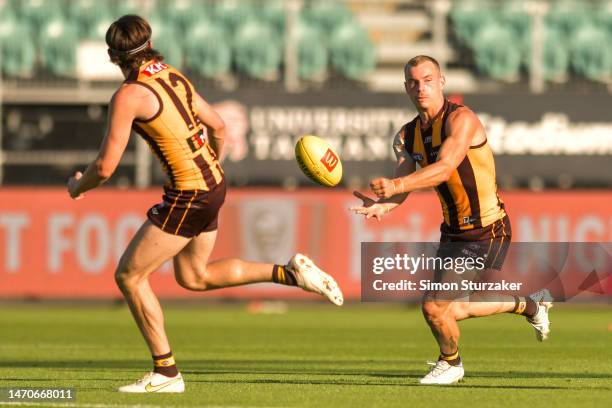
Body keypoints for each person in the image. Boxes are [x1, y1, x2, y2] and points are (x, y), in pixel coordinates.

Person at [67, 15, 343, 393]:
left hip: (190, 193)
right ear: (149, 44)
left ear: (113, 56)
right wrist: (208, 167)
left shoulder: (129, 95)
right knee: (194, 277)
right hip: (213, 183)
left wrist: (78, 187)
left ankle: (166, 373)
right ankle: (290, 273)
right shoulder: (173, 76)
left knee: (129, 276)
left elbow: (104, 166)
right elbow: (219, 127)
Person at [350, 55, 552, 385]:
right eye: (414, 82)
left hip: (488, 229)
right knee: (449, 310)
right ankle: (530, 306)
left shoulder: (462, 120)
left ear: (442, 82)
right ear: (406, 88)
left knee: (433, 308)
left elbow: (444, 168)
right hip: (452, 232)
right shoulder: (406, 137)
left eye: (428, 80)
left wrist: (398, 185)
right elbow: (402, 183)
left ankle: (452, 363)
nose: (421, 87)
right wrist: (384, 205)